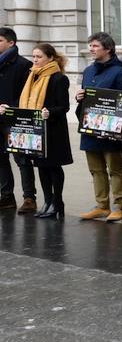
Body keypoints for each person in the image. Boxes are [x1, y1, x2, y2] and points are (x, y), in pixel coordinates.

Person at [0, 44, 72, 218]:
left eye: (39, 57)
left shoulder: (58, 78)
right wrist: (10, 109)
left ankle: (57, 203)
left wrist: (50, 111)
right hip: (36, 131)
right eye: (34, 56)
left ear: (50, 58)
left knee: (53, 167)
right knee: (41, 167)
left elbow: (64, 106)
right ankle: (47, 201)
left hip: (53, 130)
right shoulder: (32, 76)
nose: (35, 60)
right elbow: (25, 103)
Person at [76, 32, 122, 222]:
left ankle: (118, 206)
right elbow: (85, 98)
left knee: (114, 169)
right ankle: (101, 205)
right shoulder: (89, 70)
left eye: (95, 46)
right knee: (96, 169)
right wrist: (79, 97)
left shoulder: (119, 72)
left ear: (107, 49)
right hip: (90, 127)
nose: (91, 49)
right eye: (90, 46)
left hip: (110, 130)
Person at [0, 27, 36, 213]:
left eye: (0, 41)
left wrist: (10, 108)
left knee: (22, 160)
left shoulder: (24, 65)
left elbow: (27, 94)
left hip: (16, 120)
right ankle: (6, 197)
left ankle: (29, 198)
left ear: (11, 43)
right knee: (1, 160)